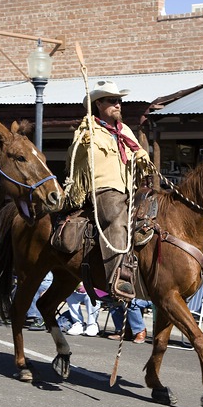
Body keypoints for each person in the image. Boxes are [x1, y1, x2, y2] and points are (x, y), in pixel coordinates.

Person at [65, 80, 151, 299]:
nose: (118, 105)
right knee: (115, 218)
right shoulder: (88, 130)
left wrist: (142, 157)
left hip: (131, 189)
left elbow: (138, 153)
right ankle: (117, 278)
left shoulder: (126, 131)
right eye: (112, 101)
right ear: (98, 104)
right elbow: (74, 160)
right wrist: (83, 142)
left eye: (119, 101)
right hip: (105, 189)